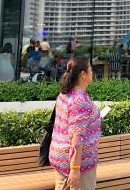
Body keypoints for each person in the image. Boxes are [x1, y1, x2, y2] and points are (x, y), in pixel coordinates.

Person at [49, 56, 101, 190]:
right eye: (90, 68)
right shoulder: (79, 100)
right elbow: (76, 138)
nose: (92, 71)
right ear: (83, 74)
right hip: (78, 165)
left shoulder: (66, 94)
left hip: (62, 159)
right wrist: (75, 169)